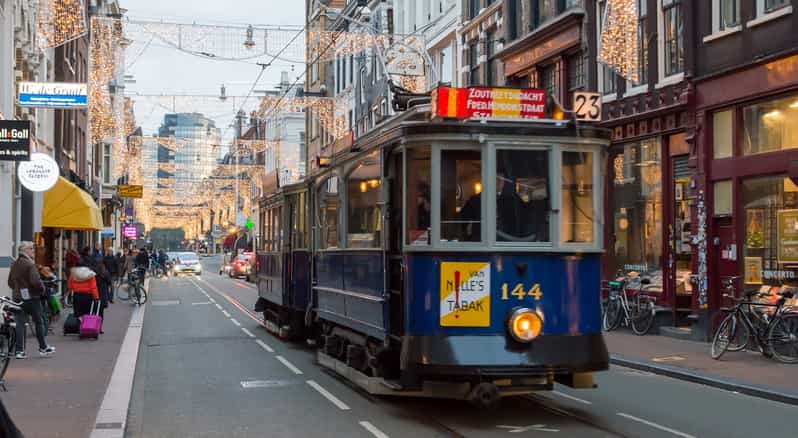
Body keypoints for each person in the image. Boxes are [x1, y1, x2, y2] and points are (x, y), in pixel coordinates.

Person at [7, 241, 55, 359]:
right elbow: (35, 282)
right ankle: (43, 348)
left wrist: (18, 289)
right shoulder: (29, 264)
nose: (33, 251)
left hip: (17, 297)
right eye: (31, 249)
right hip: (32, 298)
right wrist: (42, 290)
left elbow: (10, 282)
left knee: (20, 324)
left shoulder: (15, 264)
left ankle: (19, 351)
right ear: (25, 251)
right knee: (39, 322)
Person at [80, 247, 108, 321]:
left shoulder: (88, 269)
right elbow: (108, 281)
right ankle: (98, 327)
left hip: (88, 295)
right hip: (99, 294)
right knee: (100, 311)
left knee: (88, 311)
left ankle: (87, 325)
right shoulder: (103, 272)